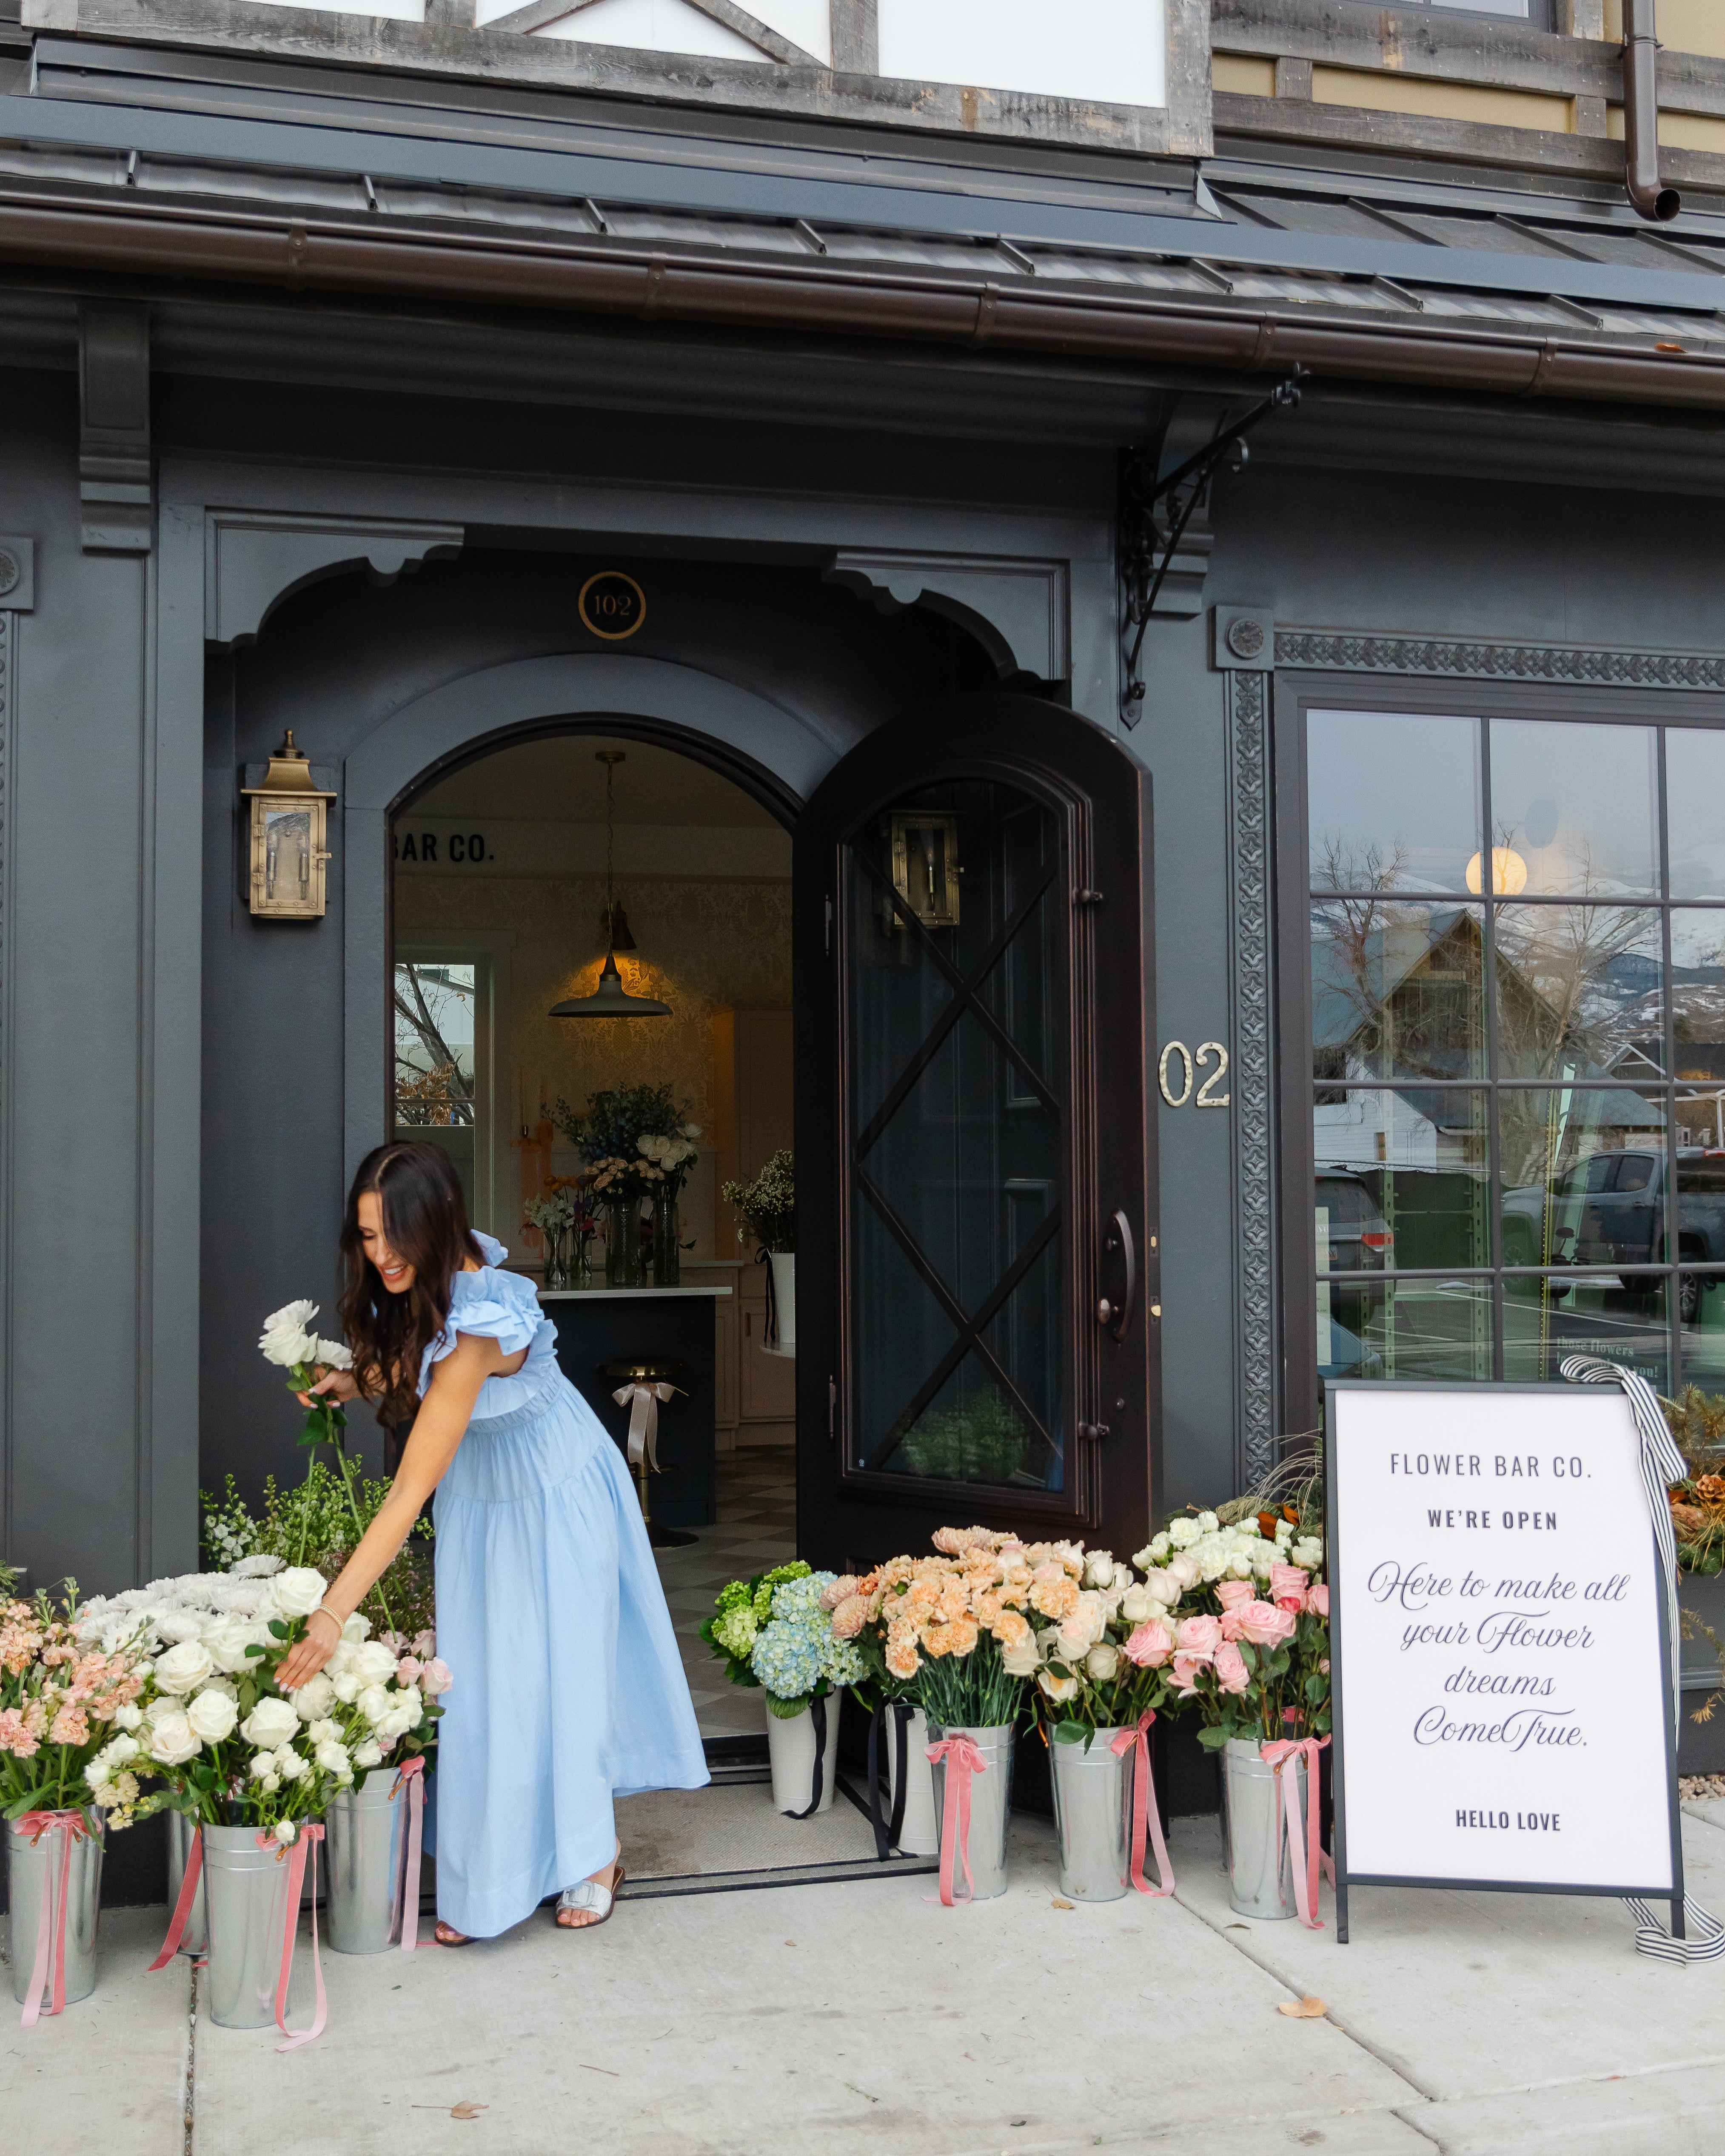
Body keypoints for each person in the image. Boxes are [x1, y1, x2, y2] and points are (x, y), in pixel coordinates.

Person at [277, 1140, 708, 1942]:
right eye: (367, 1238)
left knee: (563, 1673)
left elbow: (410, 1486)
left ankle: (596, 1853)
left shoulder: (486, 1313)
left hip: (556, 1489)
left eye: (394, 1236)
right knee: (482, 1682)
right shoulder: (429, 1288)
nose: (382, 1255)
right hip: (486, 1493)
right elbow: (424, 1366)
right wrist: (356, 1377)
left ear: (437, 1222)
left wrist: (332, 1614)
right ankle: (495, 1875)